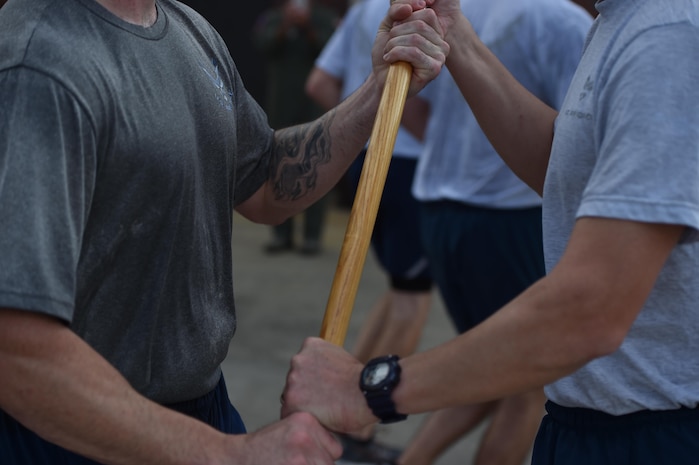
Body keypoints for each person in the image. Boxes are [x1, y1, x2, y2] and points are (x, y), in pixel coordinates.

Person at [0, 0, 449, 463]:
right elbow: (15, 350)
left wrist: (378, 91)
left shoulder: (185, 26)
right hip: (78, 433)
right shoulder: (37, 65)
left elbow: (268, 183)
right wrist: (227, 454)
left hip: (200, 409)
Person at [281, 1, 699, 465]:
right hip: (596, 418)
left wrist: (369, 390)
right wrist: (457, 38)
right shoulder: (623, 18)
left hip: (656, 430)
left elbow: (592, 308)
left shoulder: (671, 30)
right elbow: (568, 175)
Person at [393, 1, 593, 464]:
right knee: (529, 384)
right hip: (505, 217)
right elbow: (582, 149)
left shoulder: (461, 13)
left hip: (442, 210)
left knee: (487, 372)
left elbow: (409, 104)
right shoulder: (561, 20)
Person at [304, 0, 434, 461]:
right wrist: (431, 132)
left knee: (398, 292)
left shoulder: (366, 7)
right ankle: (354, 430)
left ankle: (332, 405)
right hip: (412, 169)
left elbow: (320, 83)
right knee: (412, 299)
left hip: (367, 158)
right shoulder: (434, 11)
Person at [253, 0, 339, 256]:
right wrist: (286, 26)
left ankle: (312, 236)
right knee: (279, 167)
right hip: (282, 105)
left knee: (316, 166)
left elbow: (330, 51)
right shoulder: (275, 17)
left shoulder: (324, 19)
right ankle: (282, 234)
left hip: (314, 108)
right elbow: (263, 45)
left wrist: (309, 26)